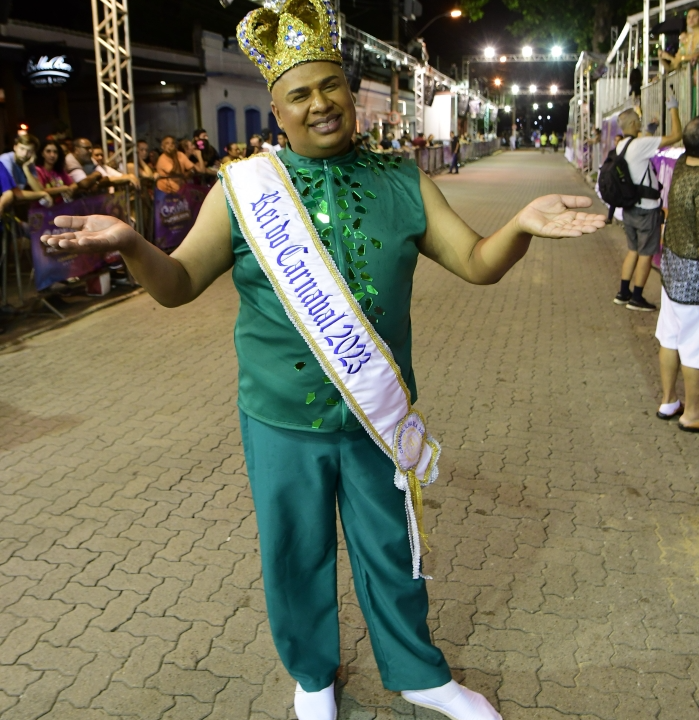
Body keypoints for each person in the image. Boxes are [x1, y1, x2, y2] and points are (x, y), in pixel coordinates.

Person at [41, 2, 605, 718]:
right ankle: (312, 677)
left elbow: (475, 264)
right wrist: (129, 244)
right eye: (300, 94)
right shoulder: (242, 191)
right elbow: (178, 287)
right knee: (294, 553)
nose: (321, 104)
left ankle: (416, 672)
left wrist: (519, 225)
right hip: (278, 418)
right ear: (275, 108)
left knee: (390, 548)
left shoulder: (403, 180)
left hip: (373, 414)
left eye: (330, 86)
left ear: (347, 87)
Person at [613, 101, 682, 311]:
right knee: (646, 254)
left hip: (630, 208)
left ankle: (623, 293)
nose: (641, 123)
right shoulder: (640, 145)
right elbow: (676, 136)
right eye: (639, 121)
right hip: (647, 208)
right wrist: (673, 109)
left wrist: (649, 132)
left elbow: (644, 144)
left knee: (633, 250)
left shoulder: (622, 145)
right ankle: (637, 297)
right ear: (633, 123)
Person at [655, 117, 699, 432]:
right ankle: (693, 414)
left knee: (670, 337)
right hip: (693, 271)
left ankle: (669, 401)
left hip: (671, 265)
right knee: (694, 346)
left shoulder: (683, 163)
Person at [0, 134, 52, 206]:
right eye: (22, 149)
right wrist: (42, 194)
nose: (24, 154)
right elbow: (15, 193)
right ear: (15, 147)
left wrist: (26, 169)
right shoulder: (5, 160)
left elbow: (39, 189)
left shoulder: (28, 163)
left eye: (29, 151)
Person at [33, 139, 77, 203]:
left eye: (55, 152)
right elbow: (41, 191)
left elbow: (74, 184)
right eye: (48, 151)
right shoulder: (37, 170)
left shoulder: (59, 170)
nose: (52, 155)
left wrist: (69, 189)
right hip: (43, 208)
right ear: (42, 154)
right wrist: (62, 189)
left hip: (61, 206)